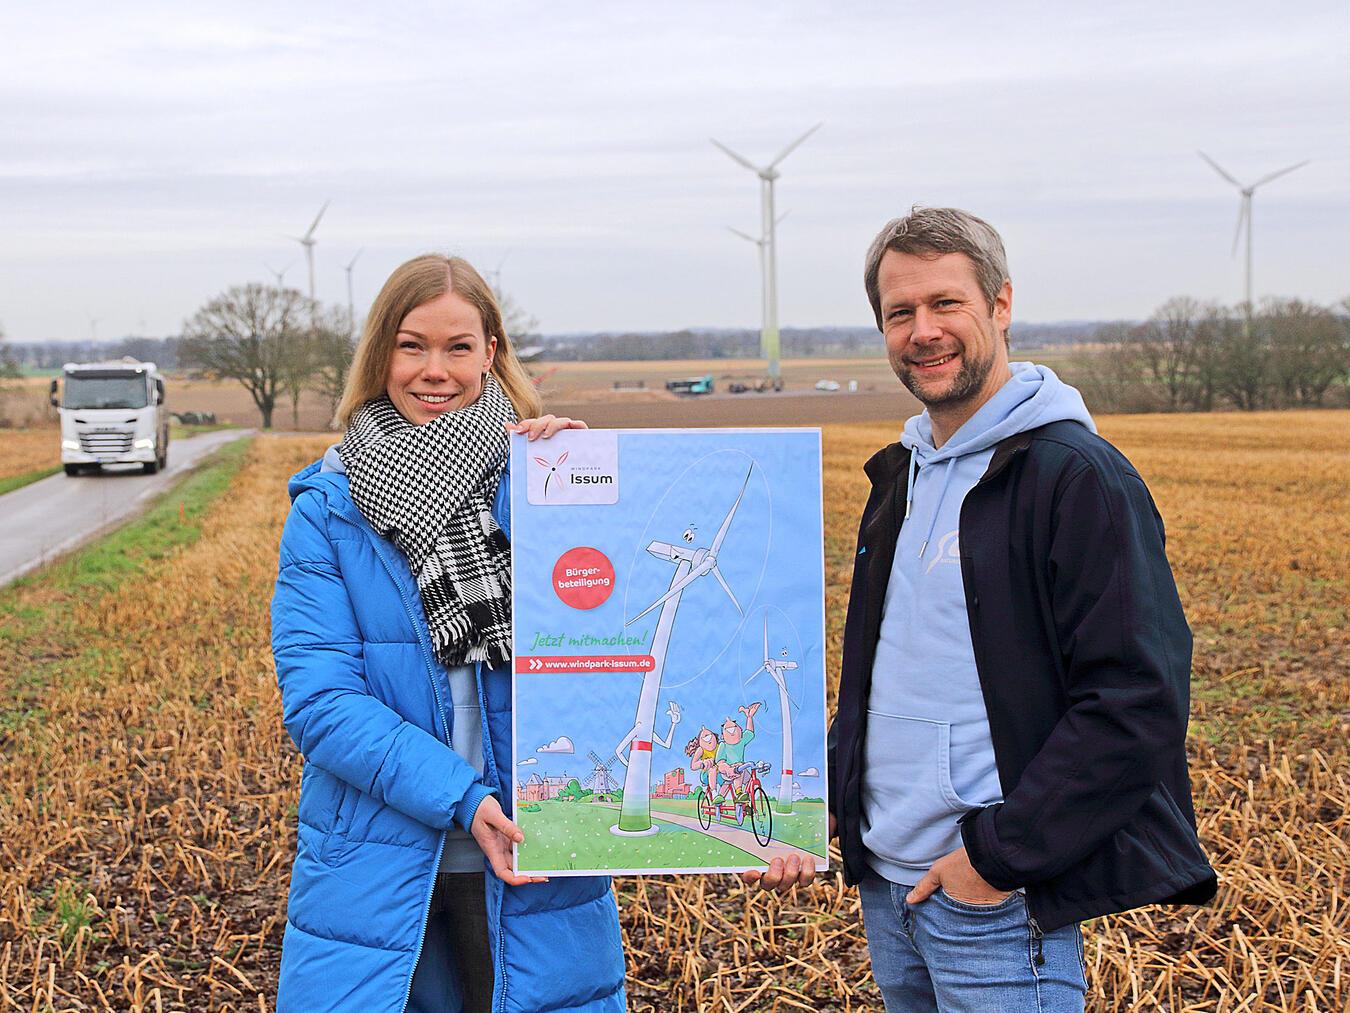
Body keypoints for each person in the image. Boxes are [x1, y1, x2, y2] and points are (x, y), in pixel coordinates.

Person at [754, 207, 1217, 1010]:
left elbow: (1137, 702)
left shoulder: (1078, 478)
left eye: (946, 303)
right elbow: (888, 678)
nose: (923, 331)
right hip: (888, 889)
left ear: (1001, 304)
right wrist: (817, 802)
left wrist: (996, 860)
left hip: (993, 904)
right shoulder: (899, 477)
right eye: (900, 312)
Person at [270, 254, 625, 1013]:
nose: (435, 369)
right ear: (381, 356)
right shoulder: (327, 511)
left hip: (537, 846)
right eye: (412, 345)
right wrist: (461, 797)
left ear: (490, 353)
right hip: (377, 857)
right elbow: (321, 704)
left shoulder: (544, 482)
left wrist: (584, 485)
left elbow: (609, 637)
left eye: (458, 347)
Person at [714, 702, 761, 800]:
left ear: (740, 730)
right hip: (726, 772)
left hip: (740, 768)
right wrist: (727, 768)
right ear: (722, 736)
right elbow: (720, 762)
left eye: (734, 729)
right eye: (728, 730)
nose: (732, 732)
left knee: (749, 781)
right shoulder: (723, 745)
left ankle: (745, 803)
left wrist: (749, 717)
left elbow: (750, 732)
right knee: (737, 774)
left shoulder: (741, 741)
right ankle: (738, 793)